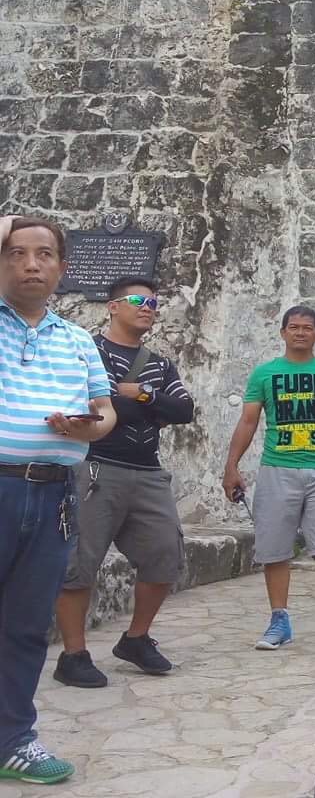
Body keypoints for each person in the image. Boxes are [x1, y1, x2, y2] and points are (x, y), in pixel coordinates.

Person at [0, 216, 115, 784]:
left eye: (44, 254)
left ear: (62, 268)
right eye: (16, 253)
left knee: (24, 625)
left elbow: (105, 409)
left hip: (53, 496)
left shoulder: (77, 340)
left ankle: (14, 739)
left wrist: (89, 428)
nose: (31, 265)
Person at [53, 276, 195, 688]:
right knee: (80, 564)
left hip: (148, 472)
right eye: (138, 300)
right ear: (112, 306)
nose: (148, 307)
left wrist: (145, 396)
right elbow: (96, 404)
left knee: (166, 555)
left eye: (153, 301)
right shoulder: (87, 351)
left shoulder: (159, 363)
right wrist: (140, 405)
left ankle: (135, 639)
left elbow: (184, 410)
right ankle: (73, 655)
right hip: (95, 467)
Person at [223, 306, 315, 650]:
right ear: (282, 333)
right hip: (276, 468)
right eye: (293, 327)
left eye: (307, 328)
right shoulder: (265, 374)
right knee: (275, 548)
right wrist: (231, 466)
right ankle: (279, 620)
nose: (299, 333)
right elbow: (248, 421)